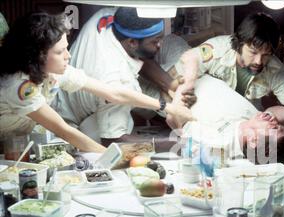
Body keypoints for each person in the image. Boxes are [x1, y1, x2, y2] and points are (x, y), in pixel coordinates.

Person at [0, 12, 192, 153]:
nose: (69, 56)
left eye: (66, 48)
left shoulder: (52, 69)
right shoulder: (19, 86)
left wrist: (167, 107)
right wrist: (108, 156)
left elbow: (113, 93)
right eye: (60, 52)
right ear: (37, 56)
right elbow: (64, 130)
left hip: (17, 135)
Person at [54, 7, 195, 145]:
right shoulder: (118, 79)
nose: (160, 45)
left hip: (67, 93)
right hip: (72, 123)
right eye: (155, 41)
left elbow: (138, 53)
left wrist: (168, 84)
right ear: (132, 42)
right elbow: (113, 140)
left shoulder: (108, 16)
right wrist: (174, 143)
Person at [176, 12, 284, 134]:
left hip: (240, 125)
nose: (259, 61)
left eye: (266, 54)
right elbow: (185, 64)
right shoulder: (217, 50)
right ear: (239, 43)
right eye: (253, 52)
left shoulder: (276, 69)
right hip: (201, 117)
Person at [172, 75, 284, 164]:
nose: (274, 120)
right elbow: (273, 111)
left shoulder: (215, 143)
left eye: (274, 127)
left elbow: (173, 118)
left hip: (177, 81)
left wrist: (184, 83)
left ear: (254, 140)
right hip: (204, 71)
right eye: (279, 124)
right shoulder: (252, 121)